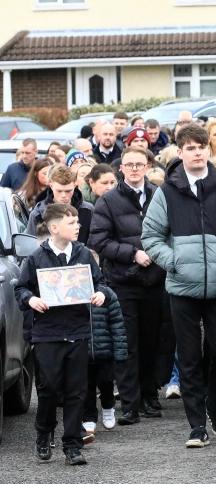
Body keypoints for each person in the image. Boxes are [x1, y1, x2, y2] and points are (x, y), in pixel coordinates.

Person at [141, 124, 216, 447]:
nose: (197, 152)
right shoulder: (167, 192)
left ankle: (213, 403)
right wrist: (174, 260)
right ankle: (196, 427)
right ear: (180, 152)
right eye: (190, 147)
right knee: (189, 357)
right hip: (182, 289)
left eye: (201, 146)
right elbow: (150, 236)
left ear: (208, 150)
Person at [15, 203, 109, 466]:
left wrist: (100, 293)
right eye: (72, 223)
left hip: (77, 331)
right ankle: (44, 435)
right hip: (47, 333)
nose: (78, 226)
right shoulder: (36, 257)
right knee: (48, 390)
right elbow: (21, 288)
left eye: (78, 222)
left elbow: (100, 281)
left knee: (76, 390)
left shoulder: (83, 254)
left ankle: (72, 445)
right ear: (54, 227)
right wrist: (31, 299)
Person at [89, 146, 167, 425]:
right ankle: (131, 404)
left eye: (139, 164)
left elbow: (169, 233)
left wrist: (157, 256)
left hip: (155, 280)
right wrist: (132, 254)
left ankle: (150, 396)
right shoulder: (108, 201)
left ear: (147, 166)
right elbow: (99, 240)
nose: (134, 169)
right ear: (121, 168)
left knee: (152, 341)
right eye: (129, 164)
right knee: (127, 343)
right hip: (124, 281)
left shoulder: (160, 195)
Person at [82, 282, 128, 441]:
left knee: (106, 382)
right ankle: (88, 417)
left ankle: (108, 407)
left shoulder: (107, 293)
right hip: (82, 351)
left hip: (105, 351)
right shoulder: (72, 292)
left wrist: (120, 352)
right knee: (85, 386)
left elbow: (117, 325)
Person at [27, 164, 94, 244]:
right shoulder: (38, 214)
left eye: (68, 191)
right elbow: (30, 248)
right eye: (59, 191)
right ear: (51, 186)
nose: (64, 195)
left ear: (75, 185)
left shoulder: (88, 210)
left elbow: (94, 243)